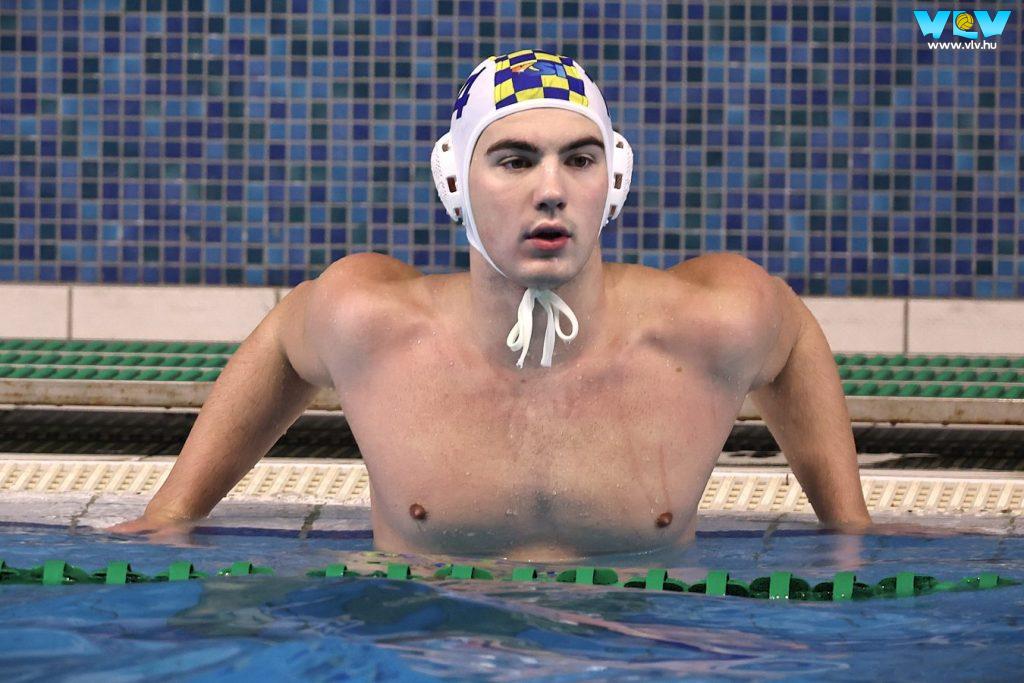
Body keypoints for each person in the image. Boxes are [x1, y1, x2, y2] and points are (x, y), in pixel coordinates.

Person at [110, 50, 871, 560]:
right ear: (455, 182)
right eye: (514, 160)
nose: (551, 189)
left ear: (615, 181)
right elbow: (283, 344)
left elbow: (793, 341)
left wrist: (849, 525)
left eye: (579, 159)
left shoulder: (709, 325)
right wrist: (174, 511)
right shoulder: (372, 324)